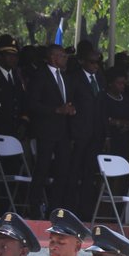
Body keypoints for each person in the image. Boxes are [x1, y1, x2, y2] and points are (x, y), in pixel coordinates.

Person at [25, 44, 75, 218]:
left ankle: (54, 208)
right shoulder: (40, 76)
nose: (65, 58)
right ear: (54, 57)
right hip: (46, 130)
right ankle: (34, 206)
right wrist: (56, 110)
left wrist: (69, 109)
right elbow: (32, 104)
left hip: (62, 132)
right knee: (42, 169)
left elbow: (67, 101)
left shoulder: (66, 77)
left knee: (63, 169)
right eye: (63, 56)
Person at [67, 49, 107, 216]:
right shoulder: (74, 78)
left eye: (98, 62)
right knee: (74, 171)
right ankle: (69, 209)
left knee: (89, 174)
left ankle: (85, 211)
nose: (95, 65)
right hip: (78, 133)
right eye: (92, 62)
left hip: (95, 134)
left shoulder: (100, 79)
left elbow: (103, 108)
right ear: (82, 61)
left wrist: (105, 134)